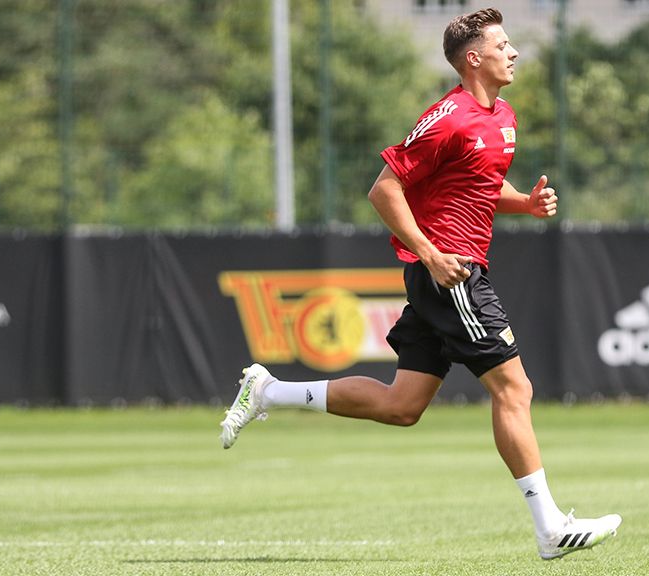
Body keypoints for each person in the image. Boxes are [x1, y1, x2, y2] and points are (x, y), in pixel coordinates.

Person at [219, 8, 621, 560]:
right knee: (514, 389)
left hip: (448, 272)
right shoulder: (448, 117)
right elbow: (385, 190)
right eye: (504, 45)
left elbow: (478, 182)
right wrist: (431, 256)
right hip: (449, 272)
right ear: (473, 59)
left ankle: (267, 390)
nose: (515, 53)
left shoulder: (503, 115)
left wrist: (523, 202)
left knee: (402, 406)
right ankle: (549, 527)